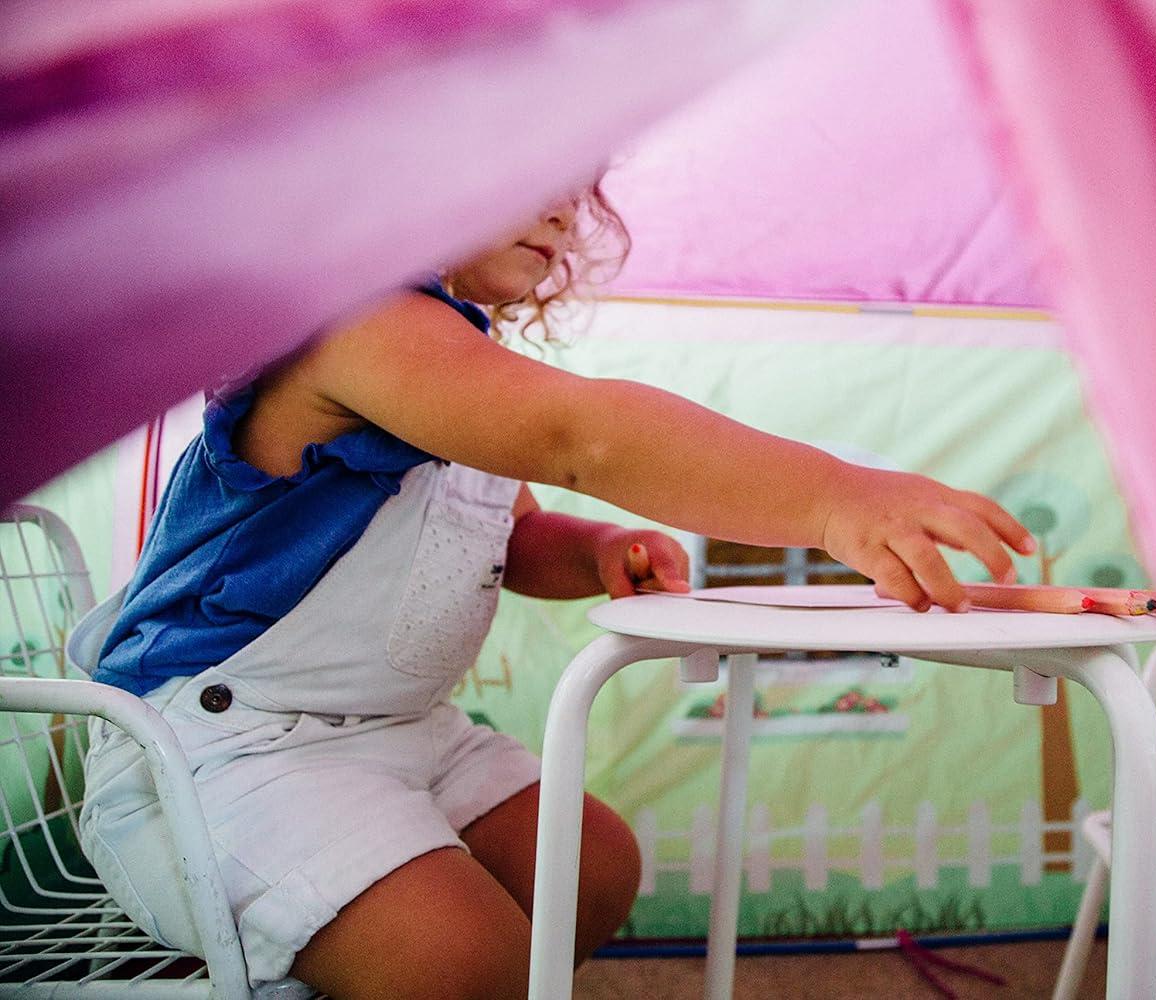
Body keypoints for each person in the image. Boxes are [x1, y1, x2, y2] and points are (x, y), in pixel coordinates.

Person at [70, 184, 1035, 1000]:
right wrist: (837, 498)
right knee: (464, 960)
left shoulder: (463, 363)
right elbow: (578, 436)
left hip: (397, 729)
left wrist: (595, 551)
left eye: (582, 189)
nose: (568, 212)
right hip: (216, 750)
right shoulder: (351, 324)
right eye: (538, 171)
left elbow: (513, 530)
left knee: (595, 867)